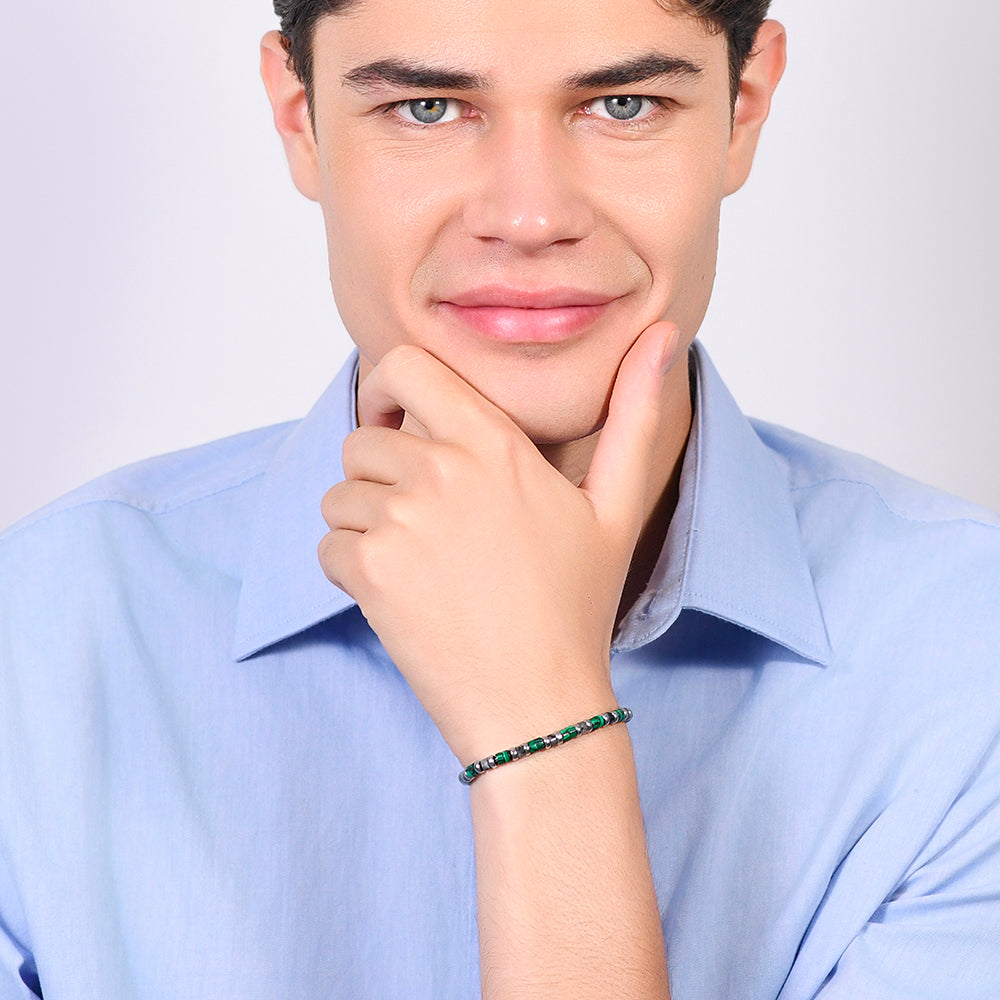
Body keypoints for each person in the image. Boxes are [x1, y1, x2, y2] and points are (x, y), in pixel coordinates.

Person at [0, 0, 998, 997]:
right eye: (428, 108)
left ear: (741, 107)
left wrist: (544, 729)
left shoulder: (969, 658)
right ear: (300, 120)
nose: (530, 217)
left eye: (624, 103)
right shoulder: (36, 636)